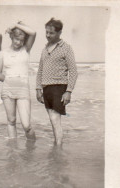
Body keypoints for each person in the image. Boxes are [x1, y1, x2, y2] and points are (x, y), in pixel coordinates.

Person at [36, 18, 78, 146]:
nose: (48, 35)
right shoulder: (45, 49)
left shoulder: (66, 48)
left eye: (51, 33)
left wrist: (68, 91)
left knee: (55, 119)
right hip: (46, 88)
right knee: (52, 119)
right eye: (46, 32)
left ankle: (58, 148)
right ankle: (57, 146)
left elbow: (74, 71)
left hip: (59, 87)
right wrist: (38, 89)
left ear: (59, 33)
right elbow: (40, 70)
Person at [0, 22, 36, 140]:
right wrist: (8, 80)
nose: (18, 43)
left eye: (21, 40)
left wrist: (14, 25)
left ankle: (31, 150)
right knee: (11, 121)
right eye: (16, 39)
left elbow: (33, 33)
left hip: (23, 90)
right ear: (12, 37)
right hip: (8, 90)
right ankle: (13, 152)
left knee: (26, 125)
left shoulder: (26, 50)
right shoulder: (3, 53)